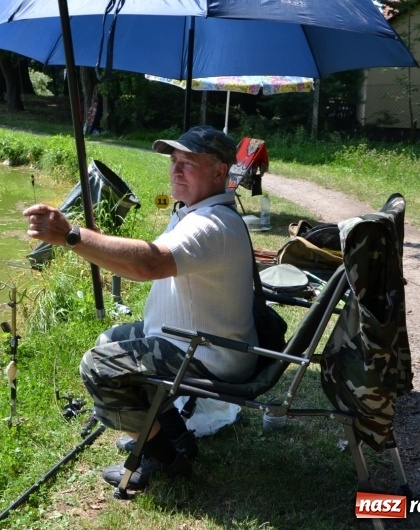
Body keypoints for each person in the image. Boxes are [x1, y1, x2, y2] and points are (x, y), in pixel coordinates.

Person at [23, 125, 257, 490]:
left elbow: (148, 264)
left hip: (210, 355)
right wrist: (85, 243)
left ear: (219, 171)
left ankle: (163, 459)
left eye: (188, 162)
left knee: (98, 366)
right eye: (174, 161)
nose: (176, 170)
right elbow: (141, 264)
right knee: (109, 341)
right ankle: (174, 436)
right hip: (194, 341)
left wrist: (72, 236)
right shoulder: (195, 212)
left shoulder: (211, 224)